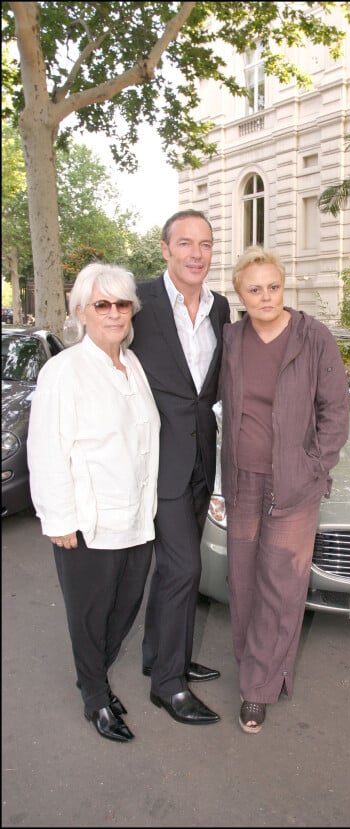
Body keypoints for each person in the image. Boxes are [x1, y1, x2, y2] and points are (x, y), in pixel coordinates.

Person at [218, 246, 350, 733]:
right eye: (255, 289)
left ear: (284, 285)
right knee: (243, 580)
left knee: (281, 586)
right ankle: (255, 664)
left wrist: (314, 467)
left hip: (294, 485)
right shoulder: (231, 339)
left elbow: (335, 411)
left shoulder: (313, 337)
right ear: (240, 295)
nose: (266, 296)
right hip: (242, 480)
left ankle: (258, 688)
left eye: (273, 285)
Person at [27, 263, 161, 743]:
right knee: (89, 614)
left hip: (136, 519)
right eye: (101, 304)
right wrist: (59, 518)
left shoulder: (134, 364)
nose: (113, 313)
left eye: (121, 304)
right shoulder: (63, 371)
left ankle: (96, 677)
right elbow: (45, 450)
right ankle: (94, 697)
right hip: (86, 521)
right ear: (81, 312)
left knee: (124, 607)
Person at [130, 209, 230, 726]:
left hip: (200, 459)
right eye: (186, 243)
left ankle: (162, 655)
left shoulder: (220, 308)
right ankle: (168, 686)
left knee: (176, 568)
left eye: (206, 244)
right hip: (158, 460)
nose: (197, 253)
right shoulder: (138, 301)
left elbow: (212, 388)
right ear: (165, 249)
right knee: (185, 569)